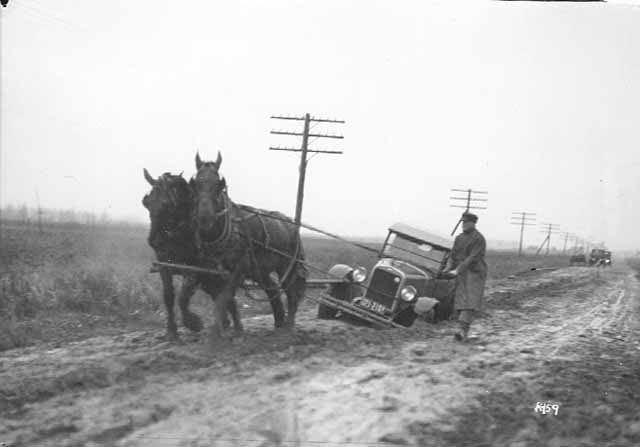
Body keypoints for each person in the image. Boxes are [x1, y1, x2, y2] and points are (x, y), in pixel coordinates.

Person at [447, 212, 488, 341]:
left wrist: (457, 269)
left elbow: (472, 257)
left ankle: (461, 329)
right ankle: (463, 329)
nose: (464, 225)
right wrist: (448, 267)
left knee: (470, 301)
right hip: (461, 271)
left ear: (473, 223)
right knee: (460, 300)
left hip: (475, 272)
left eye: (466, 223)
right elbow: (452, 255)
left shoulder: (479, 238)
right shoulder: (459, 238)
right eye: (463, 223)